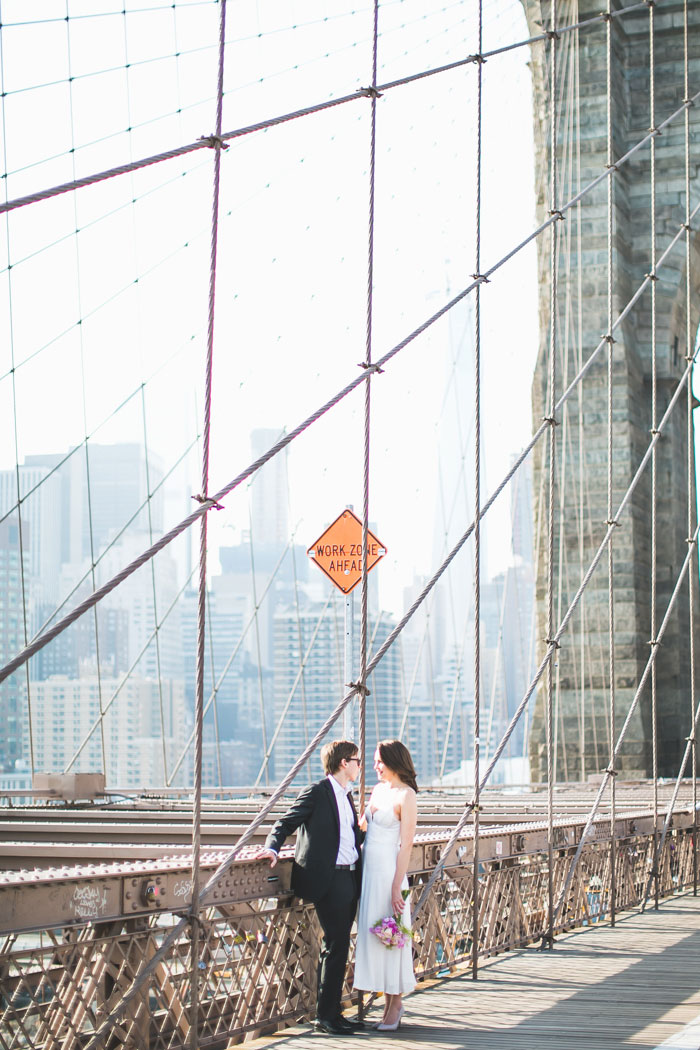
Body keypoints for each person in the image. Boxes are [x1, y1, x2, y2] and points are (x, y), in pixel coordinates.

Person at [255, 740, 365, 1036]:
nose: (360, 765)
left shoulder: (347, 796)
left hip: (349, 877)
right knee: (334, 944)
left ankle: (333, 1013)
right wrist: (272, 848)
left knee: (340, 945)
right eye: (358, 760)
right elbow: (286, 822)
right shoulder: (318, 792)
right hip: (328, 880)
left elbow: (346, 836)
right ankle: (326, 1016)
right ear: (344, 763)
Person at [353, 739, 418, 1031]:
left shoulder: (407, 796)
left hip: (391, 875)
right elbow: (365, 825)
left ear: (393, 761)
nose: (375, 766)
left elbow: (406, 846)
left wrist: (396, 888)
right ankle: (384, 998)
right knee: (375, 937)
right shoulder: (378, 791)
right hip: (370, 875)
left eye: (379, 761)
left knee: (392, 938)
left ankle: (395, 1003)